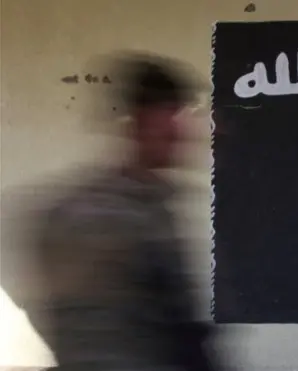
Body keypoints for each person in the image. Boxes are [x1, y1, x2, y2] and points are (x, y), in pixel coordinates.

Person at [12, 52, 221, 371]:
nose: (185, 129)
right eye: (176, 113)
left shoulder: (74, 208)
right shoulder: (115, 216)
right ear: (143, 120)